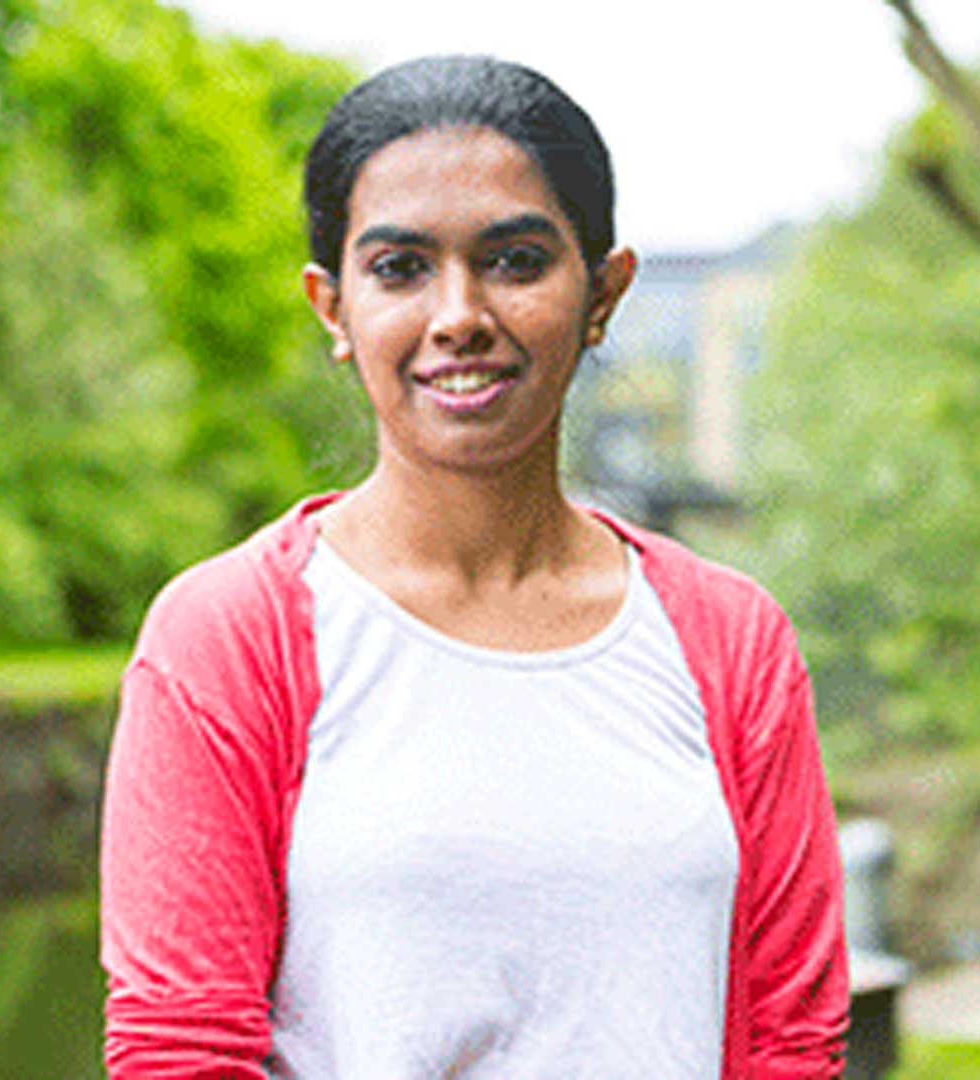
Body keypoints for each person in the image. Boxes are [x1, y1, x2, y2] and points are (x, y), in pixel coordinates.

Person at [100, 55, 849, 1078]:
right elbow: (182, 1050)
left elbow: (789, 1036)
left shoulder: (731, 640)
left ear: (604, 292)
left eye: (515, 260)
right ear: (332, 308)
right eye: (401, 269)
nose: (459, 314)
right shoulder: (231, 636)